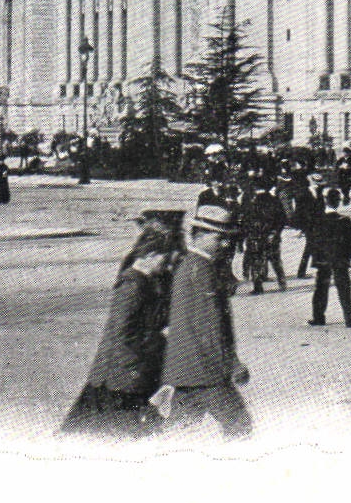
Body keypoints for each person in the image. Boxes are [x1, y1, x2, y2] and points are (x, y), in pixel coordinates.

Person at [62, 211, 182, 437]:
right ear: (151, 254)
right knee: (109, 435)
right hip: (120, 375)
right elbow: (123, 332)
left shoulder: (146, 282)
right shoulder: (133, 284)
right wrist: (159, 344)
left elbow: (149, 320)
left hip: (127, 373)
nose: (167, 266)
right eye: (164, 260)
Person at [149, 204, 252, 439]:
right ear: (200, 235)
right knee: (239, 426)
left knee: (178, 431)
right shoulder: (201, 269)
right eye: (220, 238)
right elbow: (210, 325)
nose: (226, 245)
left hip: (185, 368)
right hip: (204, 368)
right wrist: (232, 364)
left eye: (229, 239)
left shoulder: (191, 266)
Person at [309, 187, 351, 327]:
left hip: (323, 259)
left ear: (325, 201)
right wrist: (347, 258)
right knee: (344, 288)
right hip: (340, 259)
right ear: (338, 202)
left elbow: (313, 242)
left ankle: (319, 317)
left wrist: (316, 259)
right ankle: (348, 318)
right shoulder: (345, 220)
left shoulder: (318, 220)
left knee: (321, 288)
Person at [240, 177, 287, 293]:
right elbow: (283, 219)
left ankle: (258, 286)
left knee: (256, 261)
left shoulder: (251, 202)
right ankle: (282, 282)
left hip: (255, 236)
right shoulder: (275, 200)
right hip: (271, 235)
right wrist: (275, 232)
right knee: (275, 260)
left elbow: (245, 219)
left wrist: (246, 234)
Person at [292, 171, 326, 277]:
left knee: (313, 246)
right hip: (308, 224)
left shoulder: (319, 192)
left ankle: (308, 269)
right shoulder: (303, 194)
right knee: (311, 246)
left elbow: (321, 209)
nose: (320, 185)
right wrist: (301, 227)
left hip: (318, 224)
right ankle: (303, 271)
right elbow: (299, 212)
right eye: (317, 182)